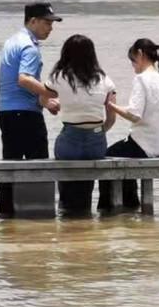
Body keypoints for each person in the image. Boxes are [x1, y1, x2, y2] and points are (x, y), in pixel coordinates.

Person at [0, 2, 62, 217]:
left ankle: (7, 217)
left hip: (7, 111)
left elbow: (17, 85)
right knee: (39, 166)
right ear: (32, 21)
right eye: (47, 23)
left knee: (10, 166)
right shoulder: (29, 47)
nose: (50, 28)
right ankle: (40, 215)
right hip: (25, 114)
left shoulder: (12, 41)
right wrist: (52, 93)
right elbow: (24, 79)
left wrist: (44, 101)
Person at [98, 38, 159, 210]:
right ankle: (131, 206)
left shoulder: (142, 79)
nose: (133, 66)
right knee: (123, 151)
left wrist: (110, 105)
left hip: (145, 146)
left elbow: (134, 115)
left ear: (140, 54)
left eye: (133, 61)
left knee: (106, 158)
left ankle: (111, 210)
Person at [44, 34, 117, 214]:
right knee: (87, 181)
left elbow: (43, 97)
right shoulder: (105, 80)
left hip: (69, 140)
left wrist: (51, 105)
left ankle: (67, 212)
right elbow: (112, 116)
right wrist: (99, 131)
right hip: (96, 143)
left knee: (67, 180)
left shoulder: (58, 77)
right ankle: (84, 212)